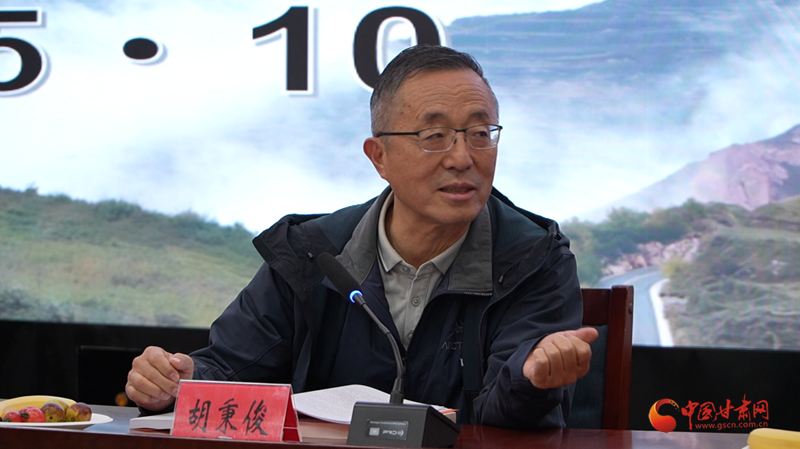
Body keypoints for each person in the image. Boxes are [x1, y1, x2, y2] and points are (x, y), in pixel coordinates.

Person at [126, 44, 597, 429]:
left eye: (479, 133)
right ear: (379, 157)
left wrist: (530, 379)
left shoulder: (532, 257)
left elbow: (508, 420)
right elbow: (232, 370)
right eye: (434, 136)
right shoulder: (310, 253)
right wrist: (180, 381)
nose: (462, 157)